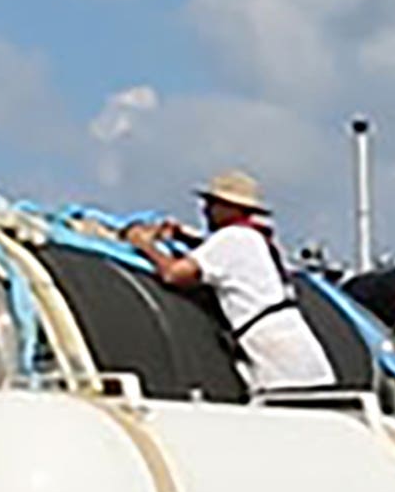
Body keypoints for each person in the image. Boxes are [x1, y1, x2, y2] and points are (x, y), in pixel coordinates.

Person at [122, 168, 335, 396]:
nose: (205, 211)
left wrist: (145, 246)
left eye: (213, 204)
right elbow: (215, 254)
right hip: (297, 350)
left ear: (230, 208)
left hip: (277, 357)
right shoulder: (254, 238)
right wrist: (182, 235)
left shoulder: (231, 239)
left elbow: (174, 274)